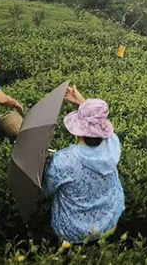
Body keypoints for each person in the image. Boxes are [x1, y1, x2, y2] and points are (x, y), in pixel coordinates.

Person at [42, 85, 124, 243]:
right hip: (108, 222)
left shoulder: (63, 161)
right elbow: (98, 123)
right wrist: (82, 102)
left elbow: (45, 191)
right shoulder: (113, 145)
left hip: (73, 232)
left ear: (75, 130)